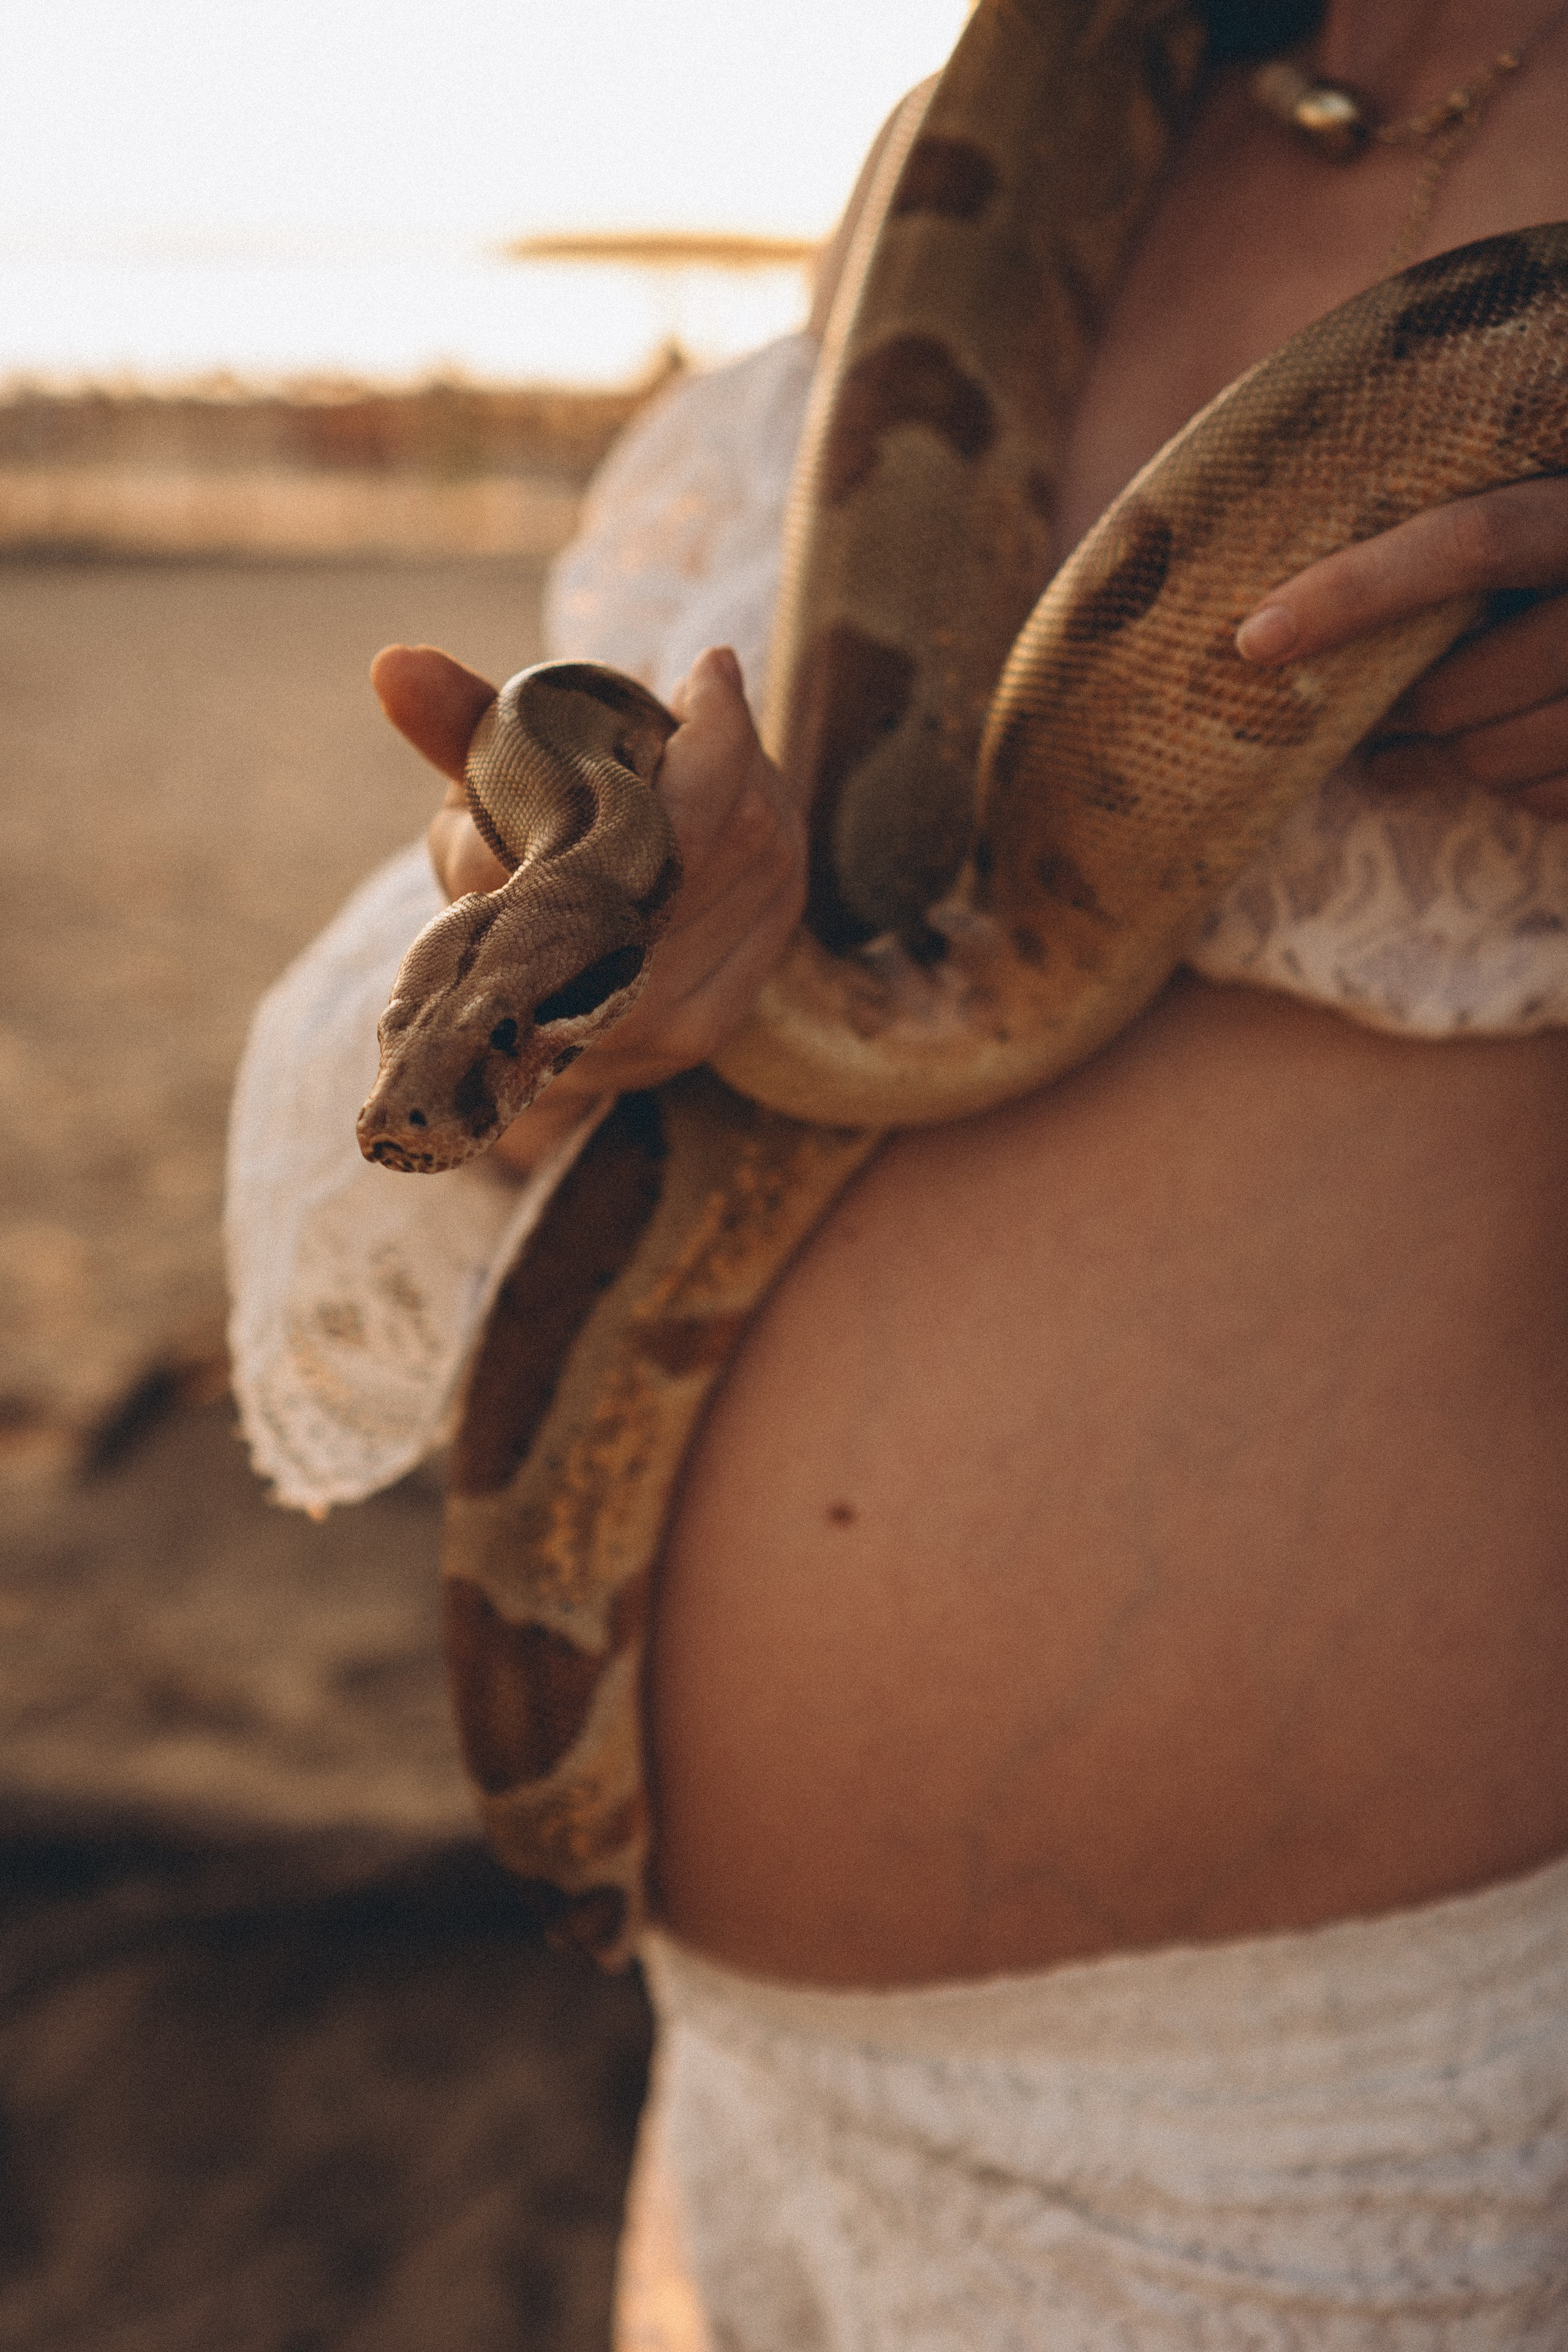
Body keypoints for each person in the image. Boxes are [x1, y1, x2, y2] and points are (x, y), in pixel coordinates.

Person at [229, 1, 1568, 2338]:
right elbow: (684, 855)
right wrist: (625, 891)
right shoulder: (980, 142)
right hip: (752, 2111)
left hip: (1332, 2147)